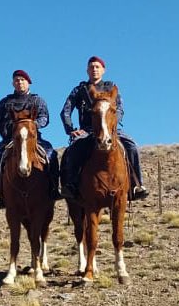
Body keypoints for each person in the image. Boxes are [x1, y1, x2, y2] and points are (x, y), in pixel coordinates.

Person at [60, 56, 148, 200]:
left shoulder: (111, 88)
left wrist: (111, 124)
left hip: (111, 130)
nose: (94, 69)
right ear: (87, 70)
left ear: (103, 70)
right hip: (87, 130)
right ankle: (72, 184)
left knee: (131, 146)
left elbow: (119, 109)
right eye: (91, 67)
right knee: (74, 148)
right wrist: (70, 129)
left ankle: (136, 184)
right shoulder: (79, 90)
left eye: (97, 67)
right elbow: (65, 111)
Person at [0, 70, 59, 211]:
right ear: (13, 83)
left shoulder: (37, 100)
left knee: (51, 155)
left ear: (28, 82)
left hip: (32, 139)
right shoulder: (5, 102)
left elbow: (44, 118)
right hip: (8, 140)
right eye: (17, 80)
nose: (19, 83)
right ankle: (2, 195)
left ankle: (53, 188)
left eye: (22, 80)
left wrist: (31, 125)